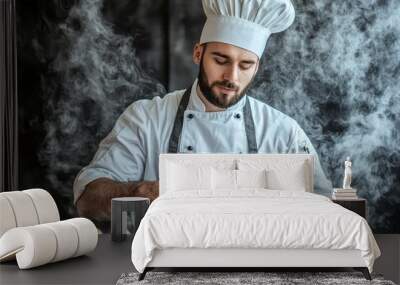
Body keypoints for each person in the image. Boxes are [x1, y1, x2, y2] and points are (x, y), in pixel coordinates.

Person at [73, 0, 333, 225]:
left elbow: (325, 208)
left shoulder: (283, 132)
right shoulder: (146, 119)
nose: (231, 77)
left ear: (257, 68)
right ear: (198, 53)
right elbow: (87, 198)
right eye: (220, 60)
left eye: (245, 65)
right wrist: (145, 192)